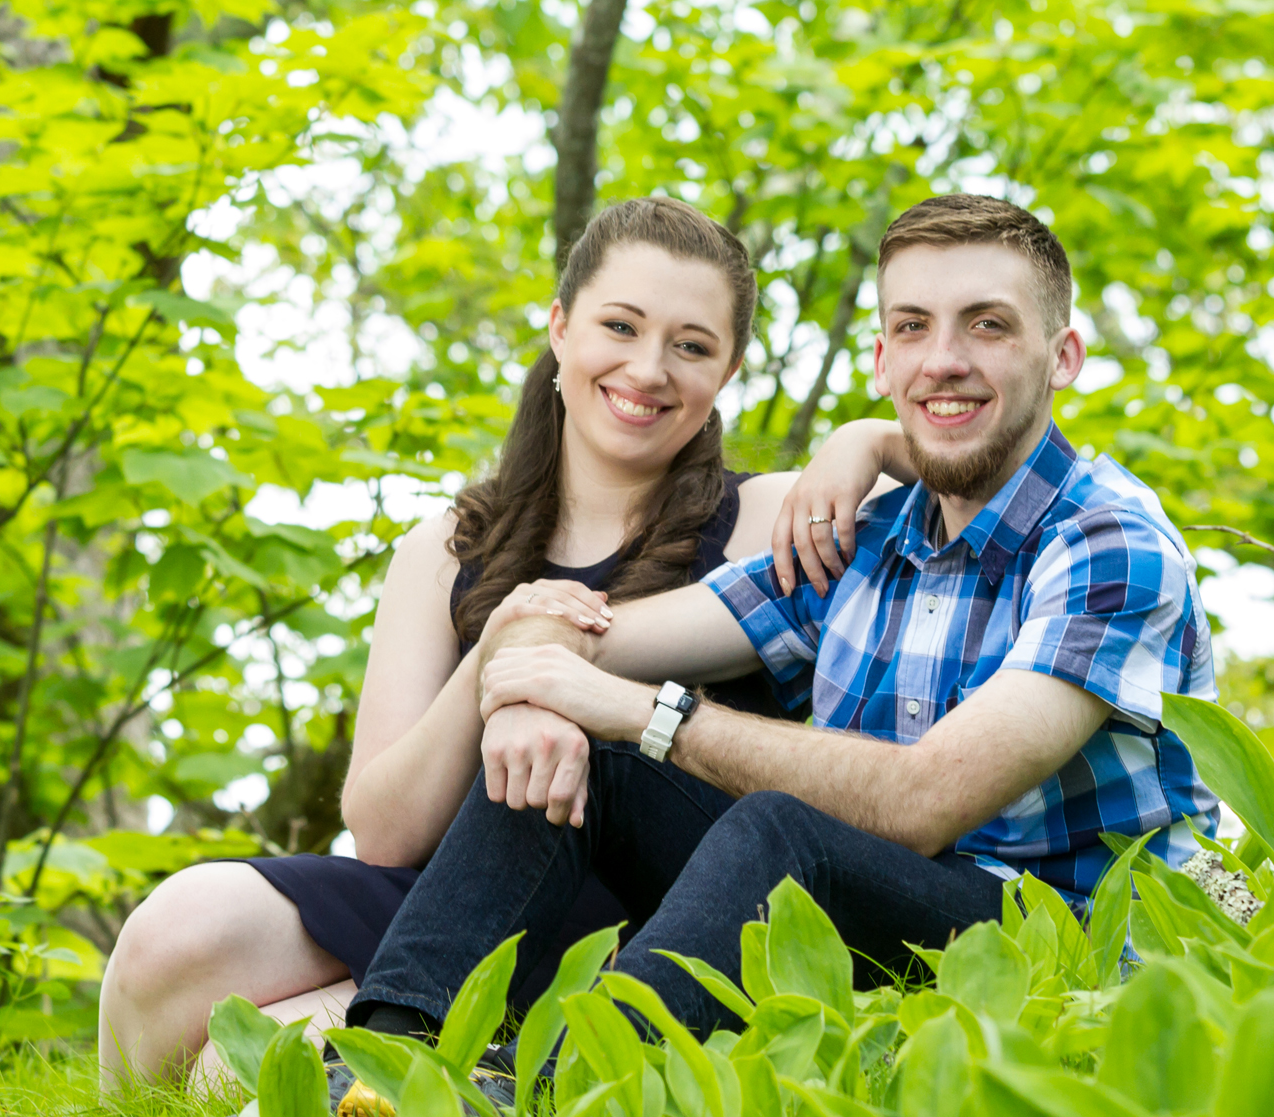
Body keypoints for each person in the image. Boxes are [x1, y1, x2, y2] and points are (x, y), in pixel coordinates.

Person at [342, 193, 1220, 1055]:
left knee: (777, 822)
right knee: (601, 757)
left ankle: (573, 1083)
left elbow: (925, 802)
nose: (943, 359)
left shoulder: (1110, 545)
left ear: (1062, 357)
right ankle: (390, 1054)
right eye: (913, 328)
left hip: (1055, 952)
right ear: (882, 361)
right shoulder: (864, 542)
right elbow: (589, 634)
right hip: (877, 921)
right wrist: (537, 683)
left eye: (987, 326)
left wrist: (637, 710)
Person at [97, 197, 906, 1089]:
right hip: (471, 907)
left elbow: (969, 461)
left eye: (691, 345)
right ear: (560, 327)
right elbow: (384, 833)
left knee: (239, 1068)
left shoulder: (769, 517)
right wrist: (499, 661)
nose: (648, 368)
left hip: (659, 922)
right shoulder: (444, 551)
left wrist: (864, 439)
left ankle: (464, 1079)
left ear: (730, 369)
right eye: (620, 325)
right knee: (173, 939)